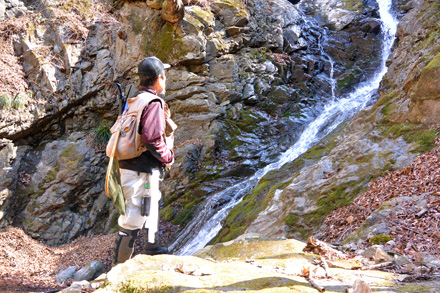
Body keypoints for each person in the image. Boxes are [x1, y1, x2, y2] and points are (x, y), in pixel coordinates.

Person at [113, 56, 175, 265]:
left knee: (151, 203)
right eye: (164, 77)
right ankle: (117, 270)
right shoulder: (153, 102)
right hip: (141, 168)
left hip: (132, 166)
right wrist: (167, 157)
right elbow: (151, 138)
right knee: (133, 217)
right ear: (158, 79)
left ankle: (151, 247)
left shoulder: (135, 99)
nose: (165, 80)